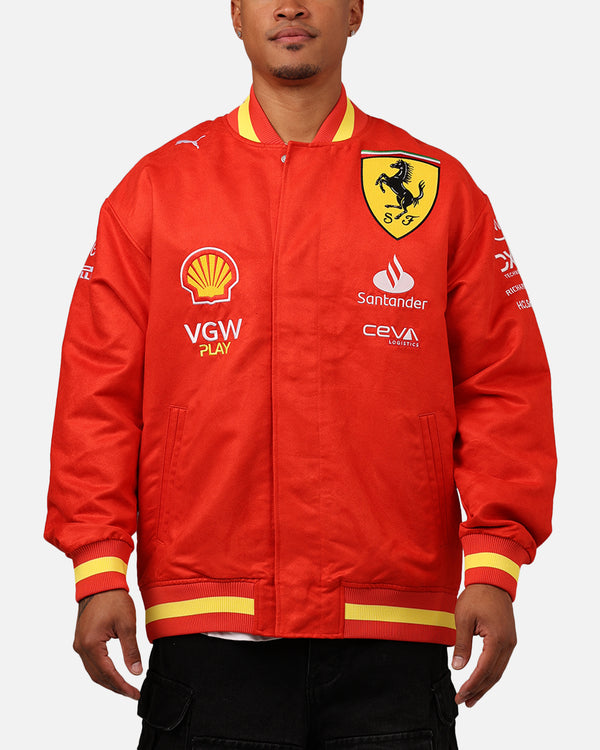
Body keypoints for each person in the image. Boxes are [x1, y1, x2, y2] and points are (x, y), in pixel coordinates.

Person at [45, 1, 556, 748]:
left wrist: (494, 561)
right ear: (236, 13)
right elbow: (97, 394)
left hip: (394, 636)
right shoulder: (157, 188)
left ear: (355, 11)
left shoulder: (436, 187)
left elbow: (502, 381)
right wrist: (97, 566)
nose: (290, 5)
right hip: (210, 637)